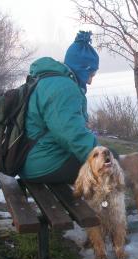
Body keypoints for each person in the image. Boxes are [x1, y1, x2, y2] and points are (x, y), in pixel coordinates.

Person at [19, 31, 99, 184]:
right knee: (106, 165)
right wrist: (104, 157)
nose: (90, 82)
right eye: (90, 74)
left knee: (99, 160)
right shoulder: (64, 89)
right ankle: (99, 207)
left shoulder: (50, 81)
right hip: (41, 164)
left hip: (32, 158)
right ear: (81, 69)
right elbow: (71, 134)